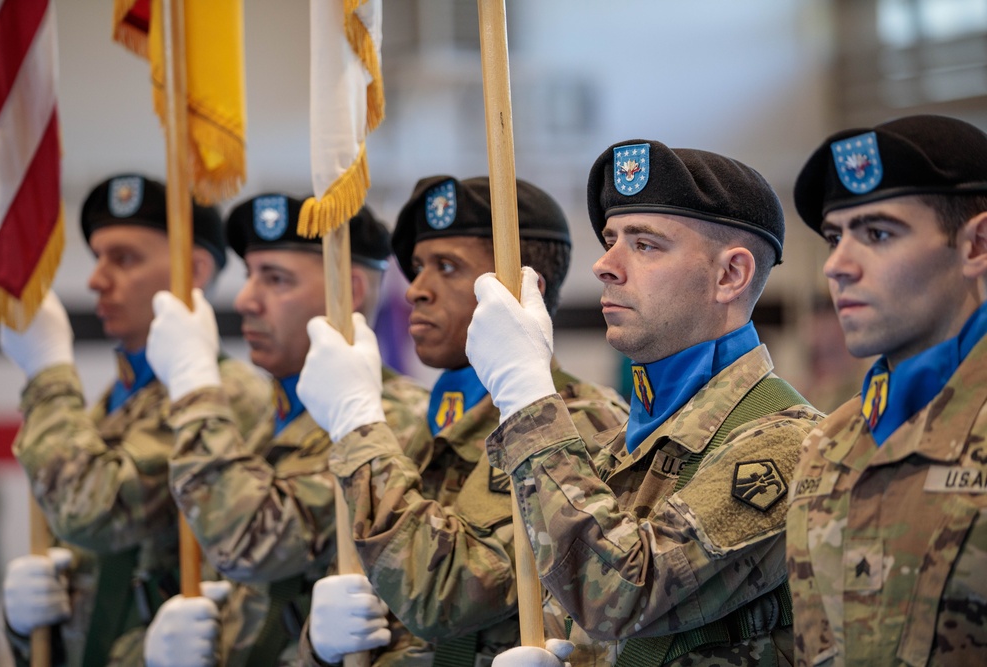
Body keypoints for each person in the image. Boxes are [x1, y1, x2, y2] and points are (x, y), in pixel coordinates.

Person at [464, 141, 827, 666]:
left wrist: (526, 394)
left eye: (645, 245)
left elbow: (617, 595)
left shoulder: (790, 442)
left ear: (731, 275)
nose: (605, 265)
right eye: (611, 239)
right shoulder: (624, 446)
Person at [294, 175, 629, 665]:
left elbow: (441, 596)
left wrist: (355, 426)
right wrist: (318, 651)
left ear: (521, 293)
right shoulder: (410, 427)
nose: (415, 291)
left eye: (447, 267)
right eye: (416, 267)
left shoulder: (579, 424)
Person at [141, 194, 431, 667]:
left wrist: (193, 381)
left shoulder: (391, 420)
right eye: (249, 274)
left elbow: (252, 540)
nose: (244, 299)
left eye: (275, 278)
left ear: (350, 292)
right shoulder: (255, 417)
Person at [0, 174, 271, 666]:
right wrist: (25, 629)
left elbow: (93, 511)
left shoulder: (226, 398)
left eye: (123, 259)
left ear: (194, 270)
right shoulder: (111, 405)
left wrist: (49, 372)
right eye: (99, 257)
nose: (96, 279)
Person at [786, 114, 987, 665]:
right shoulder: (828, 445)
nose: (837, 265)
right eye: (834, 236)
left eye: (878, 233)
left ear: (976, 245)